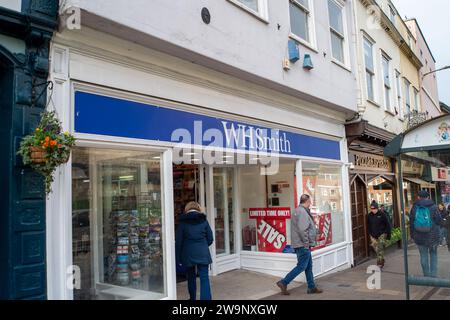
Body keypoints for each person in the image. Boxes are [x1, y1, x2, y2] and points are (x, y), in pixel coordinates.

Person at [276, 194, 323, 295]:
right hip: (303, 245)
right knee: (301, 266)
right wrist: (306, 244)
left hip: (302, 244)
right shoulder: (302, 212)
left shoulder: (299, 210)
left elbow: (305, 228)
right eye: (310, 201)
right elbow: (303, 230)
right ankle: (283, 282)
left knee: (308, 266)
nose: (310, 203)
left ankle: (311, 287)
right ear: (307, 201)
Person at [176, 201, 214, 300]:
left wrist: (178, 257)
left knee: (191, 277)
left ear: (187, 209)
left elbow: (179, 241)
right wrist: (203, 246)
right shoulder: (204, 221)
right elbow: (210, 238)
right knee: (204, 278)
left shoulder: (183, 222)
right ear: (198, 208)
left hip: (188, 254)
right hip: (202, 253)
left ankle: (192, 298)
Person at [410, 190, 443, 278]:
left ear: (418, 197)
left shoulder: (415, 207)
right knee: (433, 255)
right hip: (433, 236)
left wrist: (412, 235)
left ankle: (426, 276)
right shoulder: (433, 206)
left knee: (423, 256)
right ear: (428, 197)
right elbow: (439, 220)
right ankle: (433, 276)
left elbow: (411, 222)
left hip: (419, 236)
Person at [367, 201, 391, 269]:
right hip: (373, 235)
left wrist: (388, 235)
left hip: (382, 234)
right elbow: (368, 225)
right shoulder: (369, 215)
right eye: (372, 209)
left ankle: (379, 264)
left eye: (374, 209)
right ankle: (382, 259)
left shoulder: (382, 214)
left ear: (377, 208)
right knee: (377, 249)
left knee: (380, 248)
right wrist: (370, 233)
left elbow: (388, 224)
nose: (373, 210)